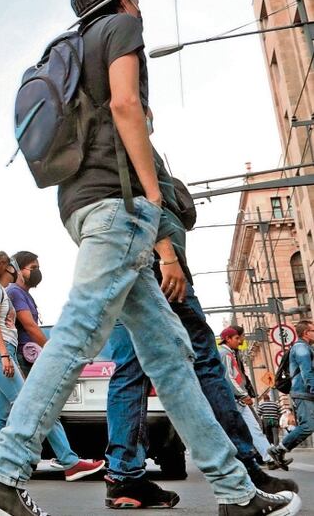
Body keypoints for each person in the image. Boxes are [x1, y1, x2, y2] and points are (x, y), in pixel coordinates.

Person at [0, 0, 299, 516]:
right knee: (78, 333)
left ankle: (235, 490)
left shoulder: (71, 48)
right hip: (118, 206)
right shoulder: (121, 28)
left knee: (170, 354)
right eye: (136, 0)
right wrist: (153, 193)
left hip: (79, 204)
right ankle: (3, 470)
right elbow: (126, 107)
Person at [104, 149, 296, 509]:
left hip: (116, 270)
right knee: (206, 364)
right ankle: (245, 466)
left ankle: (124, 477)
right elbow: (143, 197)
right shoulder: (131, 137)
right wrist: (167, 255)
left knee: (129, 372)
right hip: (157, 268)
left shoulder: (95, 146)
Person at [0, 251, 103, 480]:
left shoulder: (0, 290)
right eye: (12, 266)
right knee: (33, 405)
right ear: (4, 268)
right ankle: (70, 461)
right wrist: (4, 355)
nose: (15, 270)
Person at [218, 327, 274, 463]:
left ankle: (270, 457)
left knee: (253, 428)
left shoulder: (230, 353)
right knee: (237, 430)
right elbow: (228, 377)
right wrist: (243, 394)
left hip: (238, 399)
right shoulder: (225, 354)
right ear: (228, 339)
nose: (240, 341)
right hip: (234, 399)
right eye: (237, 338)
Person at [268, 319, 314, 469]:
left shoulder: (306, 347)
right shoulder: (301, 348)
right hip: (304, 393)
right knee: (307, 426)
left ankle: (279, 451)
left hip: (305, 392)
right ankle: (278, 450)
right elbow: (307, 372)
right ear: (306, 333)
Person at [5, 251, 45, 374]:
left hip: (30, 355)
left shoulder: (24, 294)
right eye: (33, 268)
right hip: (22, 358)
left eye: (38, 268)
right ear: (18, 270)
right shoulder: (14, 292)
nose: (37, 272)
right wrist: (50, 350)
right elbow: (30, 326)